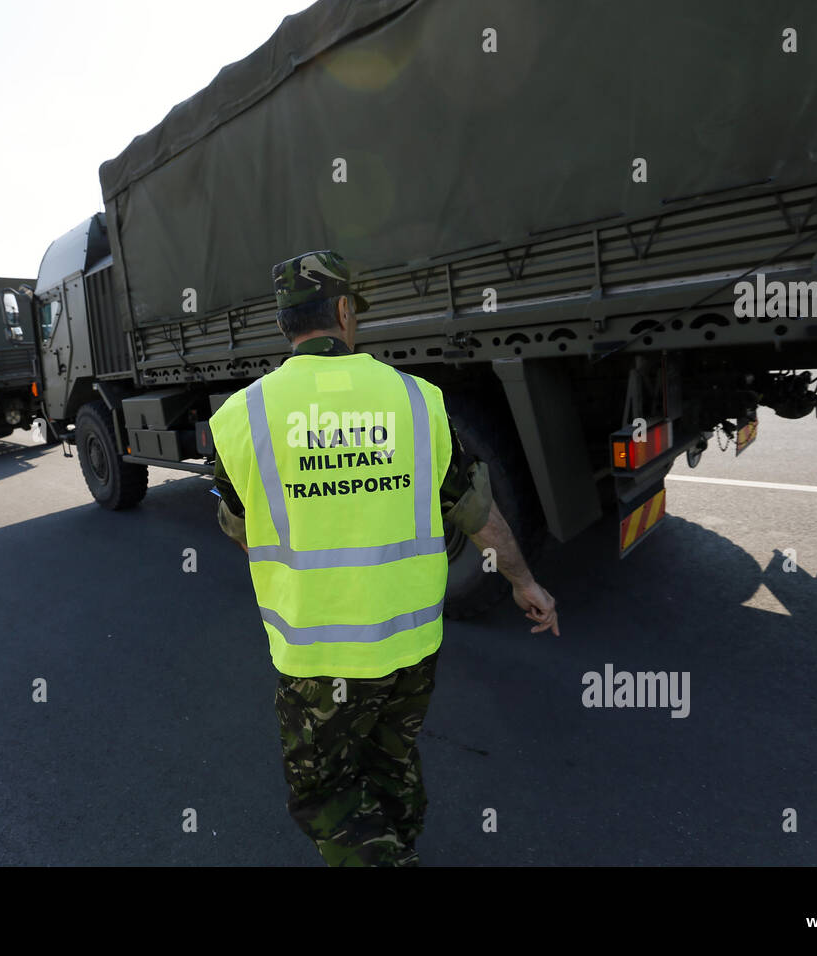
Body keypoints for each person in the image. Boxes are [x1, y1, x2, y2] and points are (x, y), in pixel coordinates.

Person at [208, 249, 558, 867]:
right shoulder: (419, 401)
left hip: (317, 657)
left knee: (327, 796)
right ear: (344, 311)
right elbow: (477, 514)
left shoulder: (240, 418)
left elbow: (242, 530)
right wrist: (524, 582)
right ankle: (399, 841)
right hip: (409, 649)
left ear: (284, 324)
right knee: (393, 763)